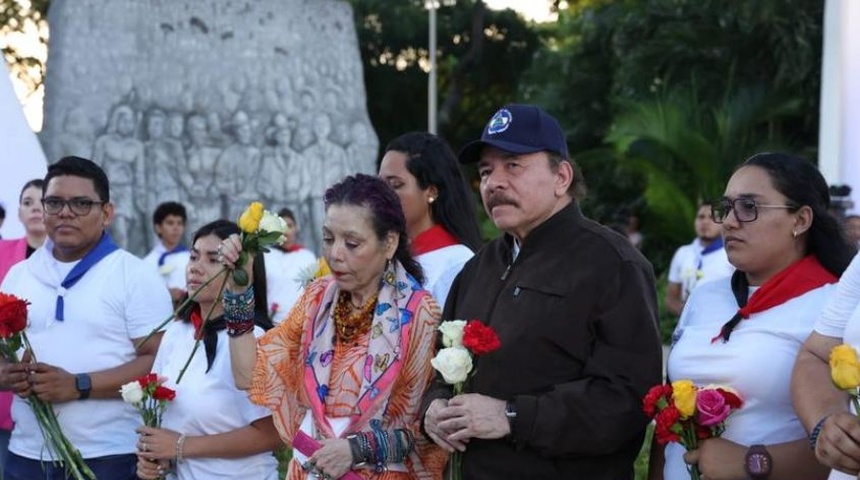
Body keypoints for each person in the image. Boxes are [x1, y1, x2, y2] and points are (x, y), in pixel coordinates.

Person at [422, 104, 662, 479]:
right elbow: (439, 369)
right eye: (486, 171)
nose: (493, 182)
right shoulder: (477, 268)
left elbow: (627, 400)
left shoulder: (612, 264)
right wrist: (434, 409)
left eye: (513, 165)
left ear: (561, 177)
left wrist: (513, 416)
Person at [220, 174, 447, 479]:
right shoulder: (317, 298)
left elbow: (425, 430)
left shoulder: (419, 313)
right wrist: (239, 293)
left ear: (389, 242)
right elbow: (247, 375)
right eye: (328, 239)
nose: (336, 254)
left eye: (352, 243)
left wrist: (356, 449)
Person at [652, 153, 855, 480]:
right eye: (727, 207)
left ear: (800, 220)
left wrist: (753, 462)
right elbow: (669, 412)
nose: (729, 221)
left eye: (749, 207)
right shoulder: (704, 296)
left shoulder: (834, 309)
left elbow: (842, 446)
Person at [0, 156, 173, 479]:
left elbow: (160, 361)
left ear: (106, 213)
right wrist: (6, 375)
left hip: (108, 455)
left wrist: (79, 385)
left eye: (81, 203)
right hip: (26, 453)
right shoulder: (19, 275)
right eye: (54, 203)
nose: (66, 213)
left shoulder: (133, 275)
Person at [134, 220, 281, 480]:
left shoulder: (252, 339)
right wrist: (158, 460)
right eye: (193, 256)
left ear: (241, 272)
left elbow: (271, 433)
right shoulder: (177, 333)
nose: (196, 268)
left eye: (213, 260)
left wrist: (180, 446)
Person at [379, 131, 483, 306]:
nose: (382, 195)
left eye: (396, 185)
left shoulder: (457, 263)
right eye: (380, 185)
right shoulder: (382, 257)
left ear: (431, 192)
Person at [0, 179, 46, 476]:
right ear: (19, 213)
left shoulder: (67, 258)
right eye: (27, 203)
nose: (35, 209)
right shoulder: (3, 253)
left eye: (42, 202)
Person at [665, 202, 735, 317]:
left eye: (712, 217)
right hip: (687, 328)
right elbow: (671, 298)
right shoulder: (682, 252)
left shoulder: (732, 253)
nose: (705, 222)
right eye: (701, 217)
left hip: (722, 326)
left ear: (723, 222)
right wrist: (687, 314)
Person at [262, 207, 317, 325]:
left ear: (296, 228)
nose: (285, 232)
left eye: (289, 226)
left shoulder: (307, 257)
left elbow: (315, 292)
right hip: (270, 325)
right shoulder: (266, 256)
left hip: (300, 325)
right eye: (281, 227)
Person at [143, 201, 191, 306]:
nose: (176, 228)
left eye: (180, 223)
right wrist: (165, 294)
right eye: (170, 223)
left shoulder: (191, 259)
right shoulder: (147, 263)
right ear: (158, 228)